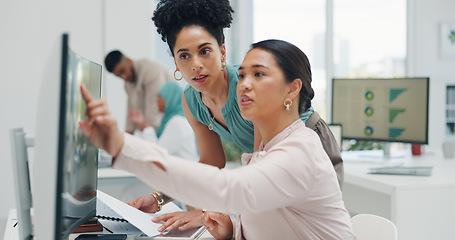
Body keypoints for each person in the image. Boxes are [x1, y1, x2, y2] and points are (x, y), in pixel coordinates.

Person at [79, 39, 355, 240]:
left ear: (292, 89)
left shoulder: (300, 149)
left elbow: (232, 190)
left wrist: (122, 146)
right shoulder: (264, 151)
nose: (244, 83)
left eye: (258, 74)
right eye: (243, 74)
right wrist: (231, 231)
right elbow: (273, 221)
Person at [127, 0, 344, 232]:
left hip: (304, 141)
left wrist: (202, 215)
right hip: (264, 163)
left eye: (204, 51)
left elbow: (250, 178)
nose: (196, 64)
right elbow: (212, 162)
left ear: (222, 52)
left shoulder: (245, 89)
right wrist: (159, 198)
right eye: (184, 56)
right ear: (175, 63)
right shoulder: (191, 101)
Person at [104, 50, 173, 134]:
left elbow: (154, 109)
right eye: (118, 75)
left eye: (122, 71)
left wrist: (148, 137)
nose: (124, 77)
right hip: (157, 128)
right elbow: (131, 110)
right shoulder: (128, 84)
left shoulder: (150, 70)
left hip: (172, 123)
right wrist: (126, 138)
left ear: (128, 61)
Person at [130, 81, 198, 161]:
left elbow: (157, 154)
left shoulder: (177, 123)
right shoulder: (173, 120)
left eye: (160, 96)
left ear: (170, 98)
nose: (157, 100)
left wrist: (148, 128)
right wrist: (142, 125)